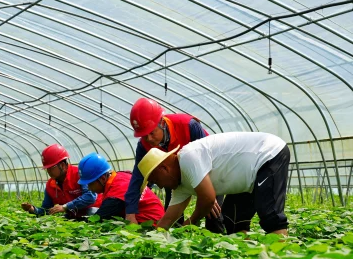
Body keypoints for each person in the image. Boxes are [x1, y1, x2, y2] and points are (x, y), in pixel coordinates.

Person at [138, 132, 290, 236]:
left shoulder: (188, 157)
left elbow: (208, 199)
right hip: (246, 177)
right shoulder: (181, 186)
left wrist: (189, 223)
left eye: (157, 181)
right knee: (233, 221)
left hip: (267, 153)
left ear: (164, 168)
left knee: (270, 216)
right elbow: (168, 220)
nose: (161, 187)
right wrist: (153, 238)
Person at [124, 97, 225, 233]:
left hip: (209, 173)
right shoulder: (143, 146)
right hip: (173, 178)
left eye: (152, 133)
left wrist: (209, 195)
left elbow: (209, 158)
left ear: (161, 122)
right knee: (172, 217)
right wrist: (130, 212)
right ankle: (173, 248)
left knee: (213, 214)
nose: (149, 139)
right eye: (144, 135)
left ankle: (219, 248)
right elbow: (138, 178)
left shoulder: (188, 125)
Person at [77, 152, 164, 223]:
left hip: (151, 226)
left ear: (103, 178)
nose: (88, 188)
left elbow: (98, 219)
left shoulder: (116, 193)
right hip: (154, 219)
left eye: (90, 183)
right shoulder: (120, 177)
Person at [21, 144, 101, 219]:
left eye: (51, 168)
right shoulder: (50, 185)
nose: (49, 171)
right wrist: (32, 209)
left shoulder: (79, 174)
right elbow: (46, 209)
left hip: (95, 212)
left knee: (91, 213)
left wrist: (65, 207)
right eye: (47, 169)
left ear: (62, 165)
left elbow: (90, 197)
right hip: (75, 215)